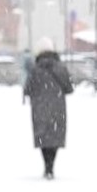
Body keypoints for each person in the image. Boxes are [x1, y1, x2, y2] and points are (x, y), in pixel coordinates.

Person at [24, 44, 75, 178]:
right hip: (57, 107)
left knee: (43, 137)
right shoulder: (61, 68)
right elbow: (69, 88)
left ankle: (46, 165)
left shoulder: (35, 70)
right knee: (55, 136)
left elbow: (27, 89)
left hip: (39, 107)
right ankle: (51, 166)